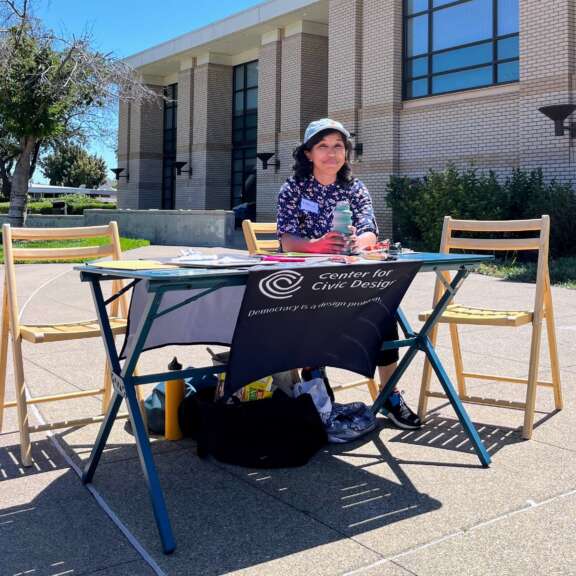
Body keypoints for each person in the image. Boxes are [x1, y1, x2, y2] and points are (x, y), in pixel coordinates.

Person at [276, 118, 422, 430]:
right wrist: (317, 246)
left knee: (385, 312)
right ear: (308, 154)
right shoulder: (293, 189)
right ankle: (315, 379)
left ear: (346, 152)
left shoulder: (354, 188)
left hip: (352, 278)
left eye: (338, 146)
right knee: (312, 313)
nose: (332, 153)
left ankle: (389, 393)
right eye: (323, 146)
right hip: (309, 281)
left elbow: (370, 229)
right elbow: (287, 238)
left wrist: (361, 241)